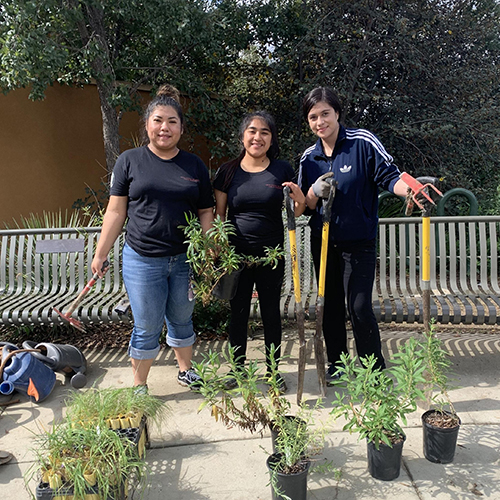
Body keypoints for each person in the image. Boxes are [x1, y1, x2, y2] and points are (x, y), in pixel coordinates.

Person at [91, 85, 214, 392]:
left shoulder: (194, 164)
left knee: (182, 318)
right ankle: (139, 384)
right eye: (158, 120)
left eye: (172, 121)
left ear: (181, 128)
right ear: (147, 124)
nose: (165, 127)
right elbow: (116, 211)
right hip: (142, 260)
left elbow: (206, 212)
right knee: (146, 324)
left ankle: (186, 370)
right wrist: (100, 252)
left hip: (185, 259)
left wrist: (210, 248)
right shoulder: (129, 161)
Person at [297, 87, 411, 382]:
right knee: (330, 306)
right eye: (313, 117)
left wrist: (408, 190)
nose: (320, 121)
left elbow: (389, 176)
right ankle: (337, 364)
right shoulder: (308, 159)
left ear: (337, 113)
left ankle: (373, 369)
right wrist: (312, 191)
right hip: (323, 243)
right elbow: (304, 205)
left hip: (359, 242)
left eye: (325, 114)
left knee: (359, 306)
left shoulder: (362, 142)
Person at [213, 110, 305, 392]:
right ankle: (238, 371)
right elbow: (219, 215)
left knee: (270, 314)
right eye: (252, 131)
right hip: (236, 256)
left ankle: (273, 371)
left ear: (271, 138)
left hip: (272, 256)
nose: (258, 137)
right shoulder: (227, 172)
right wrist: (216, 249)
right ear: (243, 136)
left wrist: (300, 198)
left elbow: (297, 210)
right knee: (238, 313)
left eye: (265, 132)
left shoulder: (282, 170)